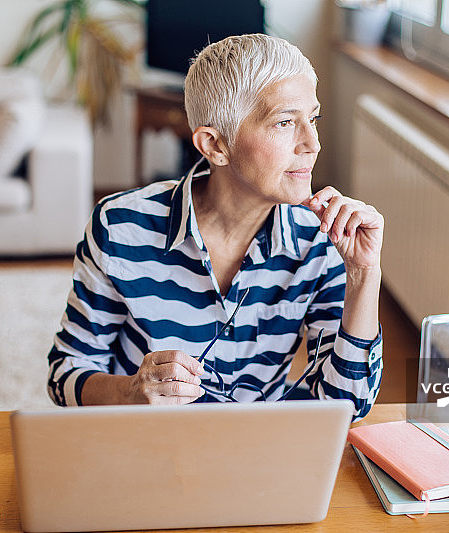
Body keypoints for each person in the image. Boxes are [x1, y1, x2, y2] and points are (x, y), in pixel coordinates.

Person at [47, 33, 384, 420]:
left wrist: (363, 274)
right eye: (285, 122)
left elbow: (347, 407)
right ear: (215, 145)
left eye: (313, 119)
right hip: (141, 445)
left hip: (257, 458)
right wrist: (131, 391)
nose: (312, 143)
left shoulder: (323, 240)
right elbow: (64, 376)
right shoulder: (120, 226)